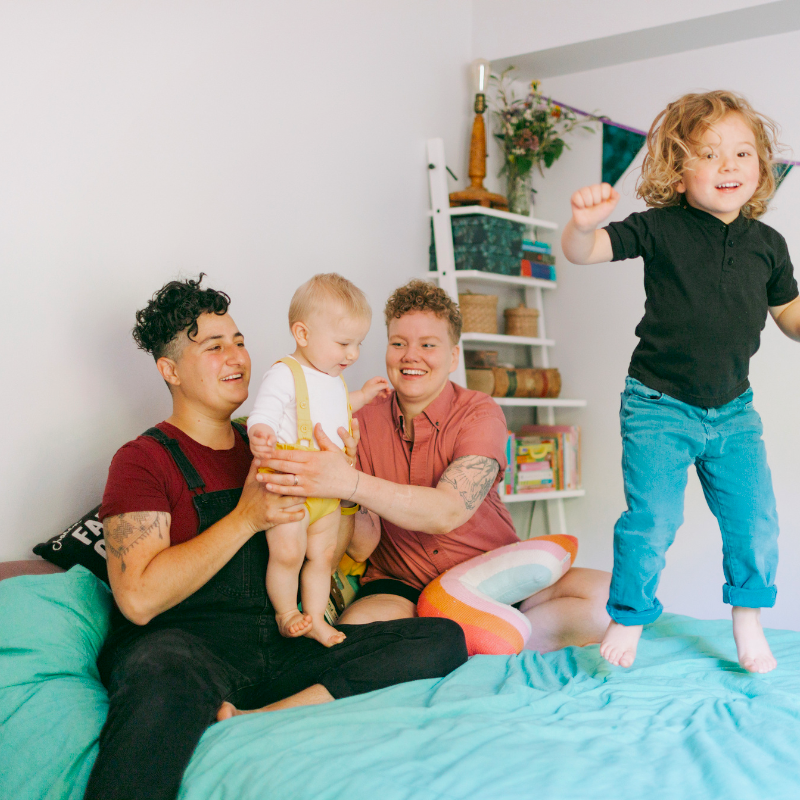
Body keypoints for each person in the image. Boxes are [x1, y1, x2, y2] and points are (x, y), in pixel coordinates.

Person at [84, 276, 467, 800]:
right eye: (213, 346)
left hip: (281, 643)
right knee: (156, 669)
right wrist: (245, 517)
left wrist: (339, 484)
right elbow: (138, 600)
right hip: (190, 648)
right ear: (169, 370)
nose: (236, 356)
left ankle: (258, 718)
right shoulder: (143, 459)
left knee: (440, 639)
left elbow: (341, 555)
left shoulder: (274, 440)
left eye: (239, 341)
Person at [560, 91, 800, 672]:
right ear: (678, 168)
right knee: (653, 521)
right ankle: (630, 617)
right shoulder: (661, 228)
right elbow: (587, 253)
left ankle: (747, 618)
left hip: (734, 411)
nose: (729, 166)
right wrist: (582, 226)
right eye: (710, 155)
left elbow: (786, 307)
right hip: (659, 406)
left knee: (756, 520)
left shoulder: (768, 245)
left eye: (742, 153)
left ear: (761, 167)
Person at [257, 280, 611, 653]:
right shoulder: (357, 417)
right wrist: (341, 492)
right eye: (398, 344)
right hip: (403, 587)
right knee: (354, 636)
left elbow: (448, 511)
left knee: (606, 601)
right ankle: (481, 643)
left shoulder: (480, 411)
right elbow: (360, 550)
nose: (411, 356)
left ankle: (487, 639)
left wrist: (349, 482)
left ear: (453, 356)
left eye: (428, 345)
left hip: (495, 578)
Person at [246, 273, 387, 645]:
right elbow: (267, 410)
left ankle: (316, 619)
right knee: (289, 553)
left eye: (358, 344)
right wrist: (260, 431)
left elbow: (339, 406)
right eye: (344, 343)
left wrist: (364, 395)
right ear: (303, 334)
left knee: (322, 559)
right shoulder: (284, 373)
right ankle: (286, 613)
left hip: (328, 489)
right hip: (291, 484)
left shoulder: (333, 380)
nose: (353, 354)